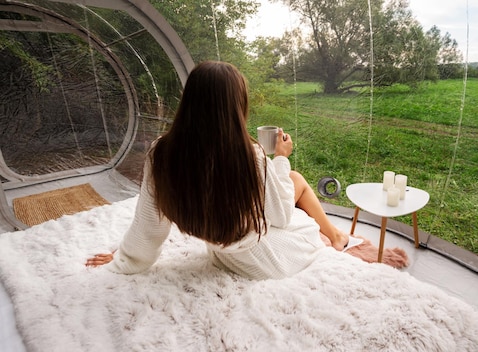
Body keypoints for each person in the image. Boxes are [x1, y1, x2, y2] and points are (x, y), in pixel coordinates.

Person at [85, 61, 354, 280]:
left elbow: (148, 226)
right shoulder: (251, 155)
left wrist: (126, 258)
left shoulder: (162, 152)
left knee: (291, 182)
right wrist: (281, 158)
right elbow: (281, 216)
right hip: (263, 259)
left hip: (221, 252)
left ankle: (336, 236)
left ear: (189, 100)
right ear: (237, 106)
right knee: (304, 218)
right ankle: (337, 237)